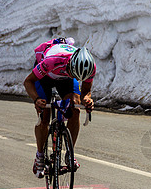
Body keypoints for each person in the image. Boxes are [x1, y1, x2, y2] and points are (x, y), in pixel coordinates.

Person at [23, 37, 96, 178]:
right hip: (45, 77)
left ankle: (70, 152)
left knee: (75, 109)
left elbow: (86, 90)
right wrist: (36, 100)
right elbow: (28, 81)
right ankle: (39, 155)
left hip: (66, 78)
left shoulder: (89, 67)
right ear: (71, 65)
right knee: (44, 114)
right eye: (76, 74)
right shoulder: (52, 61)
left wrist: (87, 99)